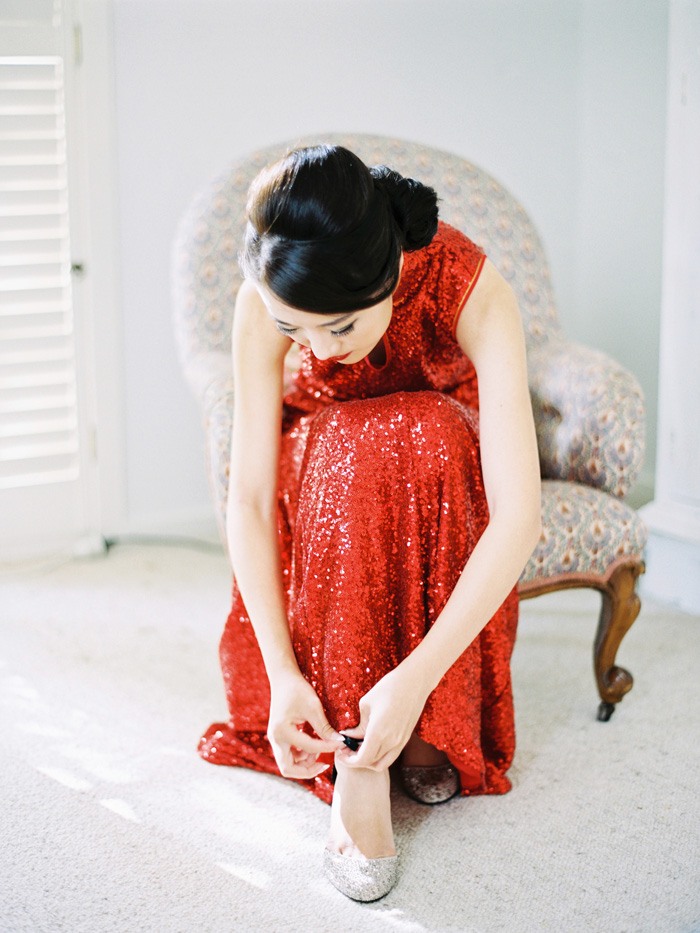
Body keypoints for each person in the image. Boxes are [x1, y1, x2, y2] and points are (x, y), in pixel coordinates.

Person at [199, 144, 541, 901]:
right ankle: (359, 763)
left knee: (422, 428)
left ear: (387, 279)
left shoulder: (470, 285)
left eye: (342, 327)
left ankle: (420, 715)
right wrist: (284, 674)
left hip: (438, 482)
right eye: (297, 330)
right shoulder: (261, 301)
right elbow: (250, 499)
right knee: (355, 436)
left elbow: (520, 514)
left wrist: (419, 680)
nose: (320, 352)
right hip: (326, 489)